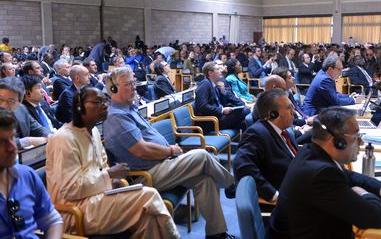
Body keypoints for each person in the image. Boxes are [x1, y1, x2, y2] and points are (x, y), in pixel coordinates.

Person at [103, 67, 236, 239]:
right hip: (146, 175)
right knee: (202, 156)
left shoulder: (129, 109)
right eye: (129, 84)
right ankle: (231, 185)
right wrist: (170, 150)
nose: (134, 87)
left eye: (134, 82)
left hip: (161, 165)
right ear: (113, 89)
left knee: (204, 180)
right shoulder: (116, 117)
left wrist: (169, 153)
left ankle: (216, 234)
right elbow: (141, 150)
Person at [46, 87, 179, 238]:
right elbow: (70, 189)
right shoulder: (63, 139)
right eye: (97, 102)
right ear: (79, 107)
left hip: (98, 198)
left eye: (105, 101)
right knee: (149, 195)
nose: (104, 105)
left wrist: (113, 180)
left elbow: (102, 166)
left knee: (148, 218)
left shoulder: (94, 131)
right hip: (74, 211)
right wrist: (109, 175)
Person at [268, 107, 381, 239]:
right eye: (356, 137)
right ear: (337, 142)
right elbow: (374, 218)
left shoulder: (309, 151)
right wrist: (362, 192)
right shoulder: (322, 174)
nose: (360, 142)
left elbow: (348, 175)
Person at [0, 107, 63, 238]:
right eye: (1, 142)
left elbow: (52, 220)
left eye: (12, 137)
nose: (12, 147)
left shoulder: (27, 175)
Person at [233, 88, 296, 202]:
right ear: (272, 114)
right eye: (289, 108)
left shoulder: (283, 131)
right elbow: (242, 166)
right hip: (289, 198)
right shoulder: (256, 133)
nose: (294, 111)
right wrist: (274, 195)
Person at [194, 61, 247, 133]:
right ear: (210, 73)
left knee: (244, 123)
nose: (221, 71)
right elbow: (203, 106)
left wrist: (223, 92)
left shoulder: (215, 84)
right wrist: (222, 110)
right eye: (218, 69)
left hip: (218, 117)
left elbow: (221, 102)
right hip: (210, 121)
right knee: (245, 111)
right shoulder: (205, 84)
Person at [0, 77, 49, 149]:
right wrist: (27, 141)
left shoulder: (21, 108)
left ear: (20, 101)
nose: (3, 105)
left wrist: (50, 136)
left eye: (11, 101)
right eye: (0, 99)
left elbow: (37, 128)